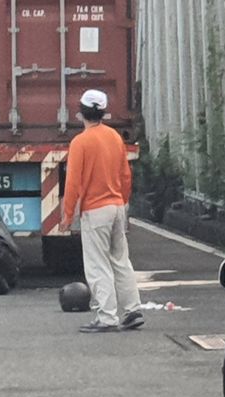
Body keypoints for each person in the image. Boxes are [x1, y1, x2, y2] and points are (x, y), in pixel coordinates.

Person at [60, 89, 144, 333]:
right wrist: (122, 201)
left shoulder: (80, 142)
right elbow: (125, 175)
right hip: (117, 206)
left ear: (81, 112)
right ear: (103, 112)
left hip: (95, 210)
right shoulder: (114, 137)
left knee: (97, 264)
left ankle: (107, 317)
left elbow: (73, 182)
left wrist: (67, 215)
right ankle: (132, 310)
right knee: (120, 260)